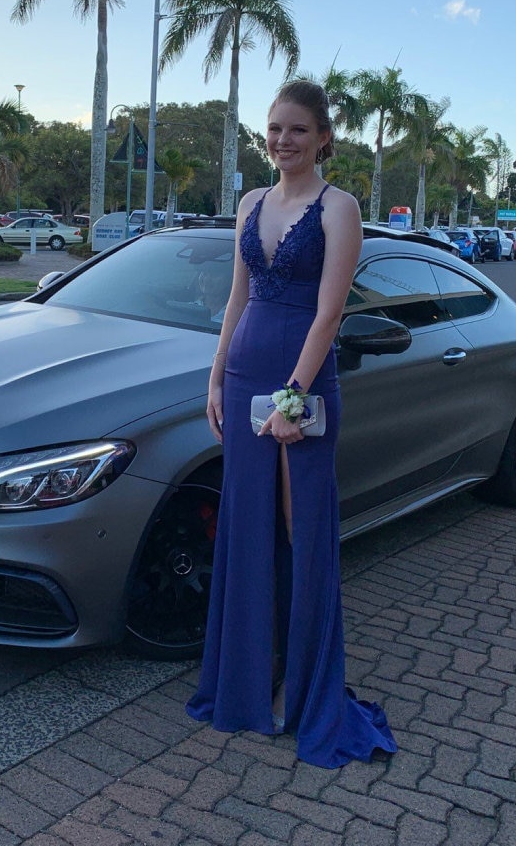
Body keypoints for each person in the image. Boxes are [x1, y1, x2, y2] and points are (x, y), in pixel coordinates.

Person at [187, 80, 397, 768]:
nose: (283, 140)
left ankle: (304, 692)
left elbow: (329, 313)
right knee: (247, 533)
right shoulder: (251, 202)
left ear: (323, 137)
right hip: (245, 371)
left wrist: (292, 398)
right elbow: (236, 299)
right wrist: (216, 375)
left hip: (300, 387)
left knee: (299, 530)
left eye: (298, 130)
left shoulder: (340, 208)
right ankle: (248, 684)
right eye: (275, 129)